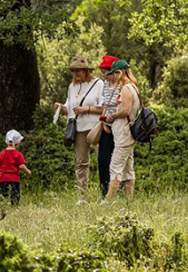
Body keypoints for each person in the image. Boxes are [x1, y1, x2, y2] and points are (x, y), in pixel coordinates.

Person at [54, 57, 104, 204]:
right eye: (74, 70)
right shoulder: (72, 86)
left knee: (102, 159)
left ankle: (106, 192)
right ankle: (82, 195)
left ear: (87, 71)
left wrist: (86, 109)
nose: (76, 73)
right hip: (78, 128)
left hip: (95, 127)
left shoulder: (98, 84)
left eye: (79, 70)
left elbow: (103, 107)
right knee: (81, 162)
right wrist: (61, 108)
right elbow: (69, 107)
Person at [99, 60, 140, 201]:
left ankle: (108, 200)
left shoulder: (126, 88)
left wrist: (112, 115)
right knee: (128, 168)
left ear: (120, 72)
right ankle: (129, 200)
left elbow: (126, 110)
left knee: (115, 167)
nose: (114, 77)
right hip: (126, 133)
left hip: (124, 133)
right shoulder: (133, 87)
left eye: (115, 73)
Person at [96, 55, 120, 198]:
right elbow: (104, 104)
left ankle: (117, 189)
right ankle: (104, 191)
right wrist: (103, 121)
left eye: (105, 72)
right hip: (107, 125)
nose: (103, 75)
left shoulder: (123, 85)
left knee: (117, 159)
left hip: (119, 125)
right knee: (102, 158)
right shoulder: (105, 85)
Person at [0, 129, 32, 205]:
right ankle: (14, 206)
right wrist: (28, 171)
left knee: (1, 195)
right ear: (17, 143)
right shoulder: (17, 154)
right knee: (14, 195)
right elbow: (22, 166)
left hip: (2, 178)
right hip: (14, 179)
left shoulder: (2, 153)